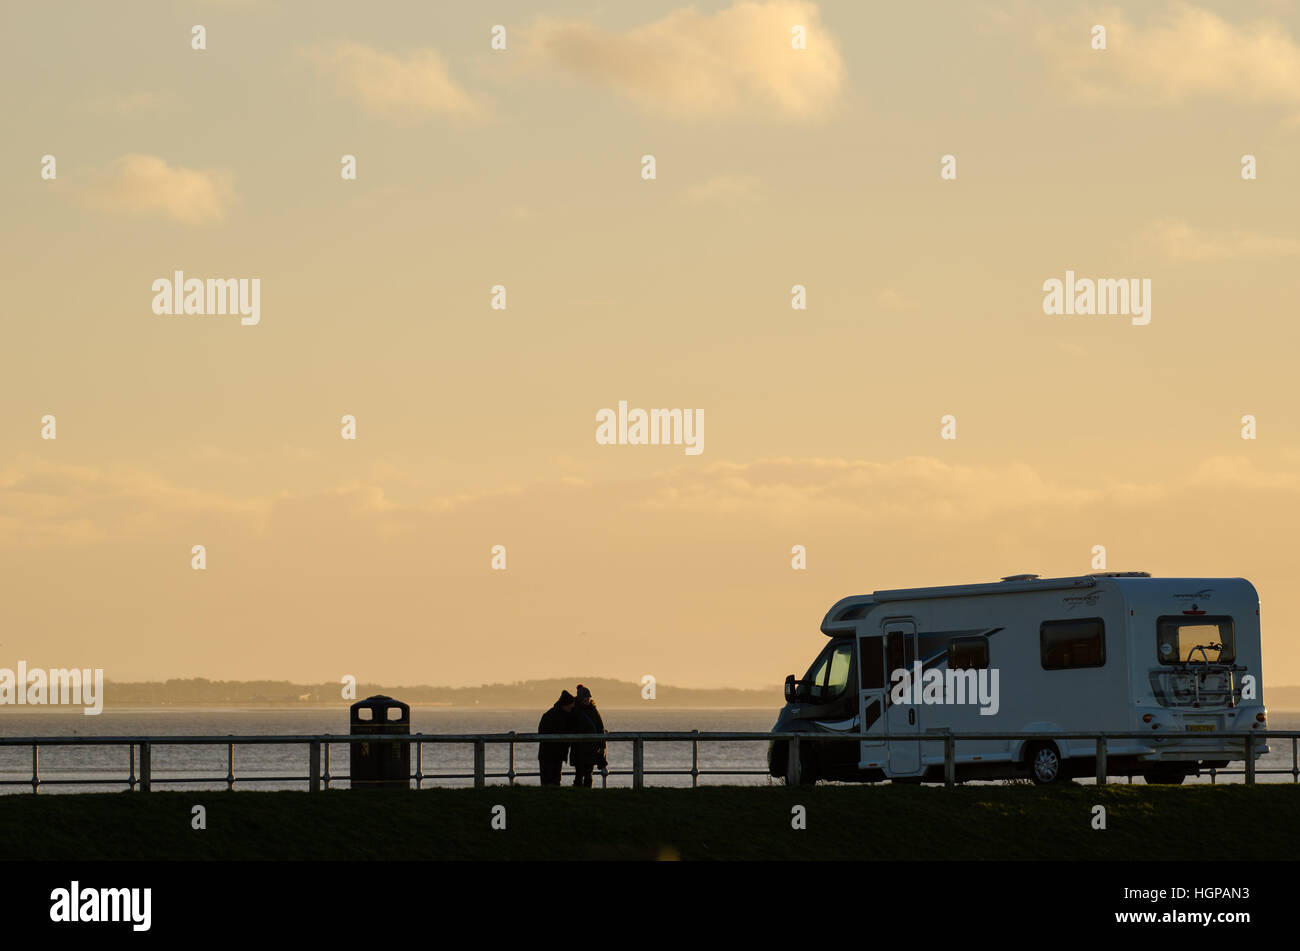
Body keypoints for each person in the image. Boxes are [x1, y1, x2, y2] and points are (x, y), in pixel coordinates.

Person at [569, 684, 607, 787]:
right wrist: (602, 745)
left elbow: (600, 729)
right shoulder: (582, 711)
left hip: (588, 749)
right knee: (579, 774)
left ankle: (584, 793)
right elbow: (600, 729)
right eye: (586, 698)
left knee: (588, 774)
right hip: (581, 749)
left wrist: (602, 747)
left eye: (588, 698)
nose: (588, 700)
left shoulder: (578, 711)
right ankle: (583, 793)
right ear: (580, 698)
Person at [537, 690, 575, 786]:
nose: (572, 707)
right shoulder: (561, 716)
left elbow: (541, 733)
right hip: (552, 754)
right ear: (565, 704)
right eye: (571, 705)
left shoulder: (550, 714)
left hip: (549, 753)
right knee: (553, 780)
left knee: (549, 781)